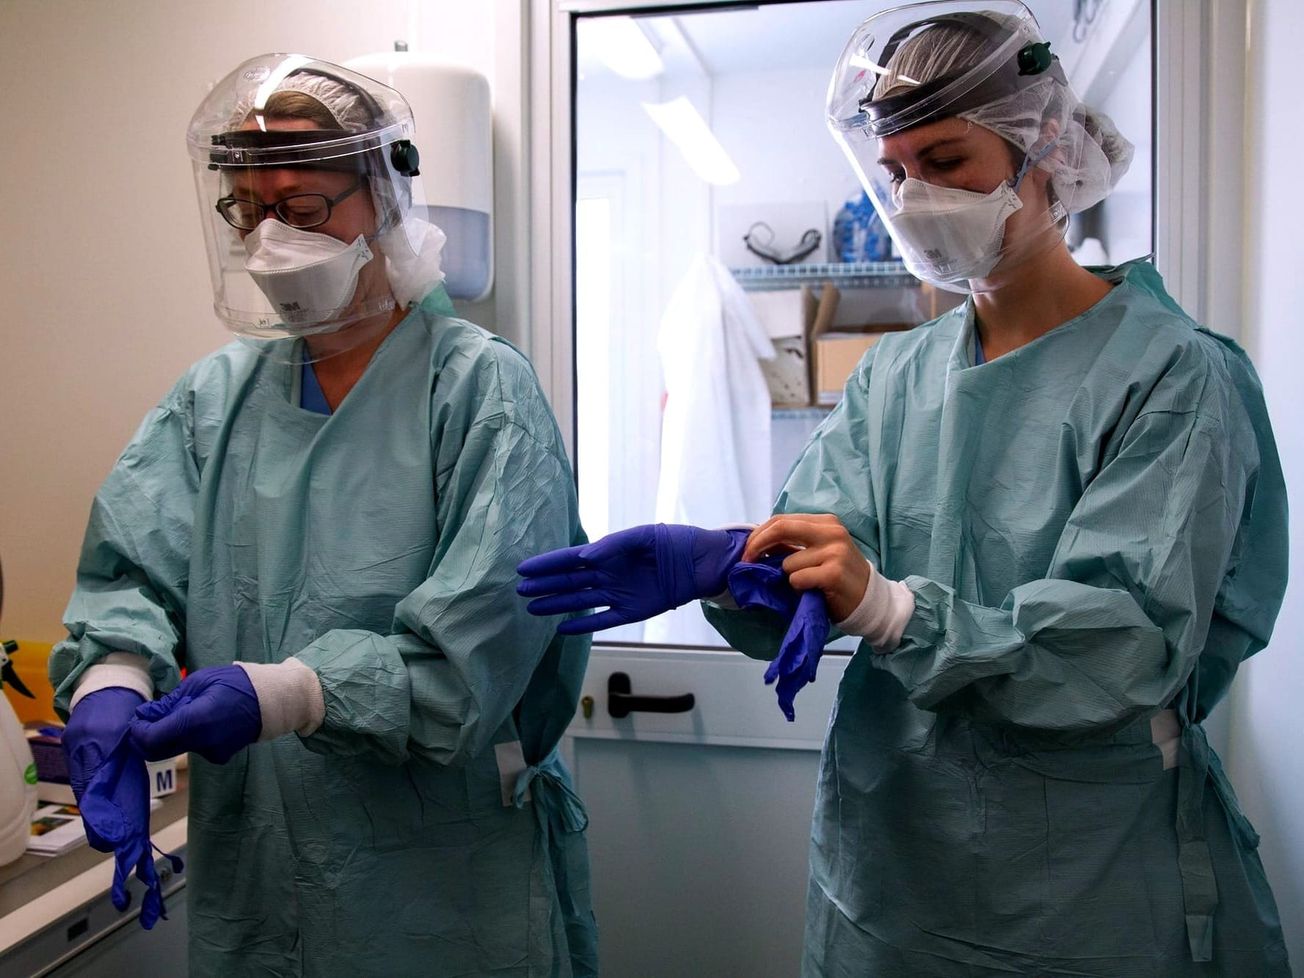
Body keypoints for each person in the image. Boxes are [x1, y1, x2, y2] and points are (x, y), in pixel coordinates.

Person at [517, 2, 1291, 974]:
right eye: (893, 171)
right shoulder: (897, 375)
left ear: (1041, 145)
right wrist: (730, 564)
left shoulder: (1173, 374)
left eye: (944, 160)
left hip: (1078, 880)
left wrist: (886, 607)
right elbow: (828, 546)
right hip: (888, 870)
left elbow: (1117, 642)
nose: (911, 195)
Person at [52, 54, 597, 977]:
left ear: (382, 197)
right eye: (248, 210)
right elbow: (130, 571)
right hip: (258, 870)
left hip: (435, 886)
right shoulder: (214, 400)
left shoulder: (478, 391)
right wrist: (110, 682)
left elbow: (471, 664)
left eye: (302, 211)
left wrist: (289, 693)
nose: (271, 241)